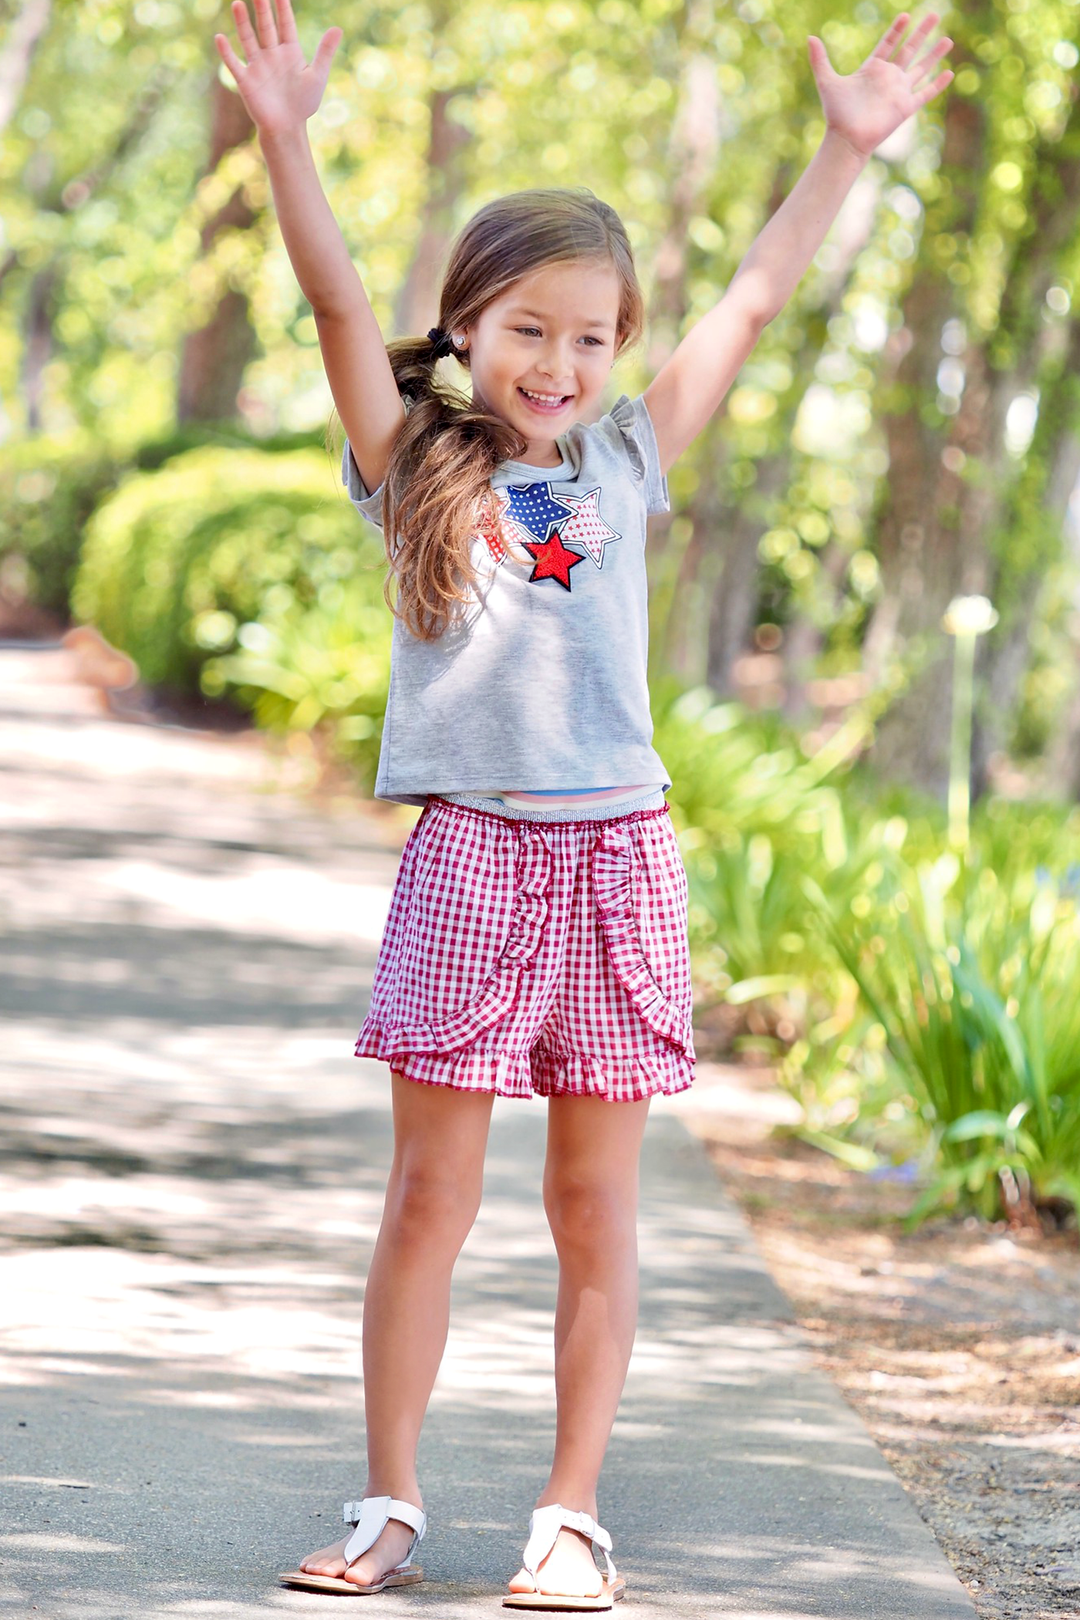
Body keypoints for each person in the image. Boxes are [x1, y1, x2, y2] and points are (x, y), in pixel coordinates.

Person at [214, 3, 952, 1607]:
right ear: (468, 326)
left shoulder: (626, 458)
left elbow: (755, 298)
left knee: (591, 1203)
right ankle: (389, 1503)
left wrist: (845, 150)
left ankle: (570, 1514)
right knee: (431, 1195)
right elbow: (333, 295)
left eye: (593, 338)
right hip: (473, 855)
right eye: (528, 330)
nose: (559, 364)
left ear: (621, 351)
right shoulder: (410, 459)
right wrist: (285, 136)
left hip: (620, 860)